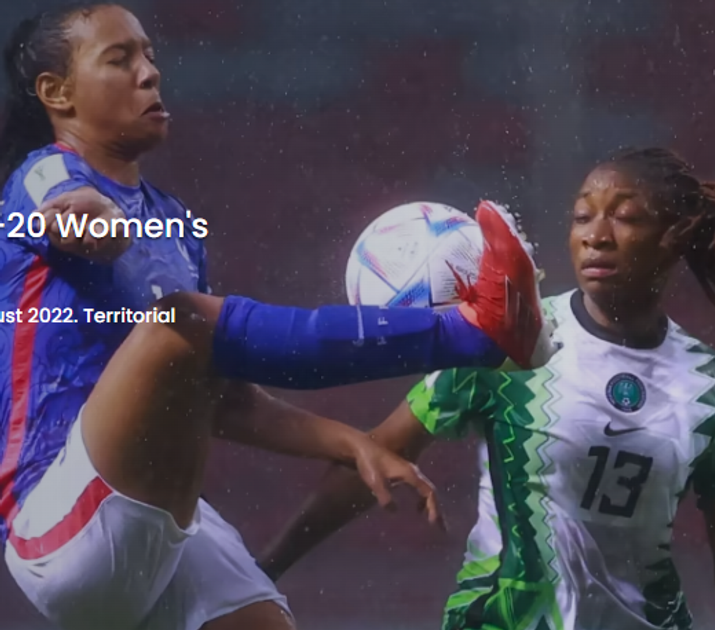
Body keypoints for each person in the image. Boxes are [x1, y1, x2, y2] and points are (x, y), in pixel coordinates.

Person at [0, 4, 554, 630]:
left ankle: (476, 331)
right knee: (178, 321)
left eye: (150, 55)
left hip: (157, 527)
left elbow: (225, 401)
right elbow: (60, 210)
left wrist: (353, 444)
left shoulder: (174, 223)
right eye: (119, 59)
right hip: (56, 520)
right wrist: (83, 219)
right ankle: (471, 331)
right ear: (57, 92)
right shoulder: (45, 173)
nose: (150, 73)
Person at [259, 147, 715, 630]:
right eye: (583, 215)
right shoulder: (505, 343)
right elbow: (376, 453)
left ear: (674, 238)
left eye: (625, 217)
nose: (596, 234)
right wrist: (267, 569)